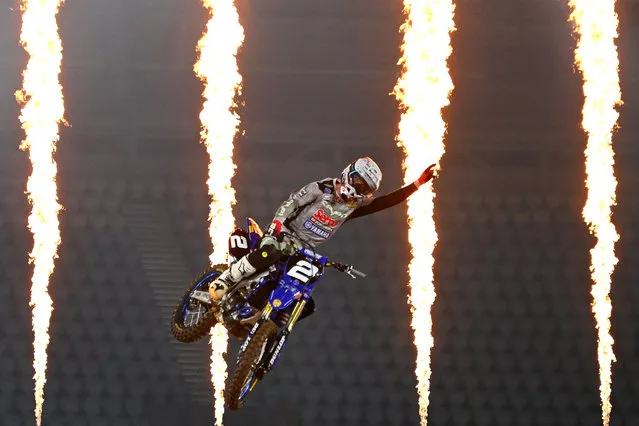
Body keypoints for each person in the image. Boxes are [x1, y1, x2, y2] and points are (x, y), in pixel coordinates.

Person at [209, 157, 438, 302]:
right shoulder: (321, 187)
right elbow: (293, 203)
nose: (359, 188)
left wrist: (417, 183)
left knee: (303, 295)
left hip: (304, 250)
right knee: (271, 251)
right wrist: (278, 223)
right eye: (358, 181)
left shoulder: (354, 206)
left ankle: (259, 318)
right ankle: (226, 280)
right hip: (283, 234)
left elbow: (385, 202)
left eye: (364, 187)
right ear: (350, 172)